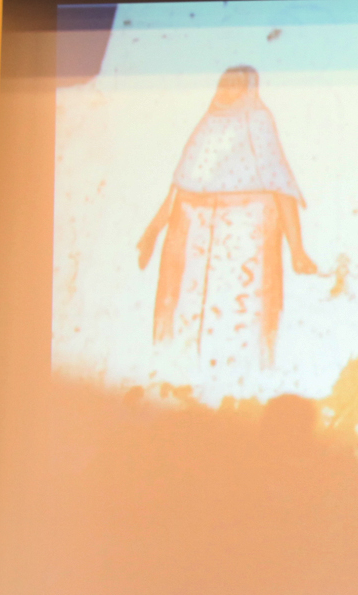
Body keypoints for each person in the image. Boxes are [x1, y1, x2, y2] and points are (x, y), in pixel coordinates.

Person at [137, 66, 317, 394]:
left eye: (235, 85)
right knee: (186, 319)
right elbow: (180, 187)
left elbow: (279, 184)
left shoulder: (257, 120)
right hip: (194, 236)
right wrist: (151, 232)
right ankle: (182, 386)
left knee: (238, 320)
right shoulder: (208, 121)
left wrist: (297, 249)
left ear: (247, 89)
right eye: (224, 83)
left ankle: (236, 393)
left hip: (243, 236)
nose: (226, 90)